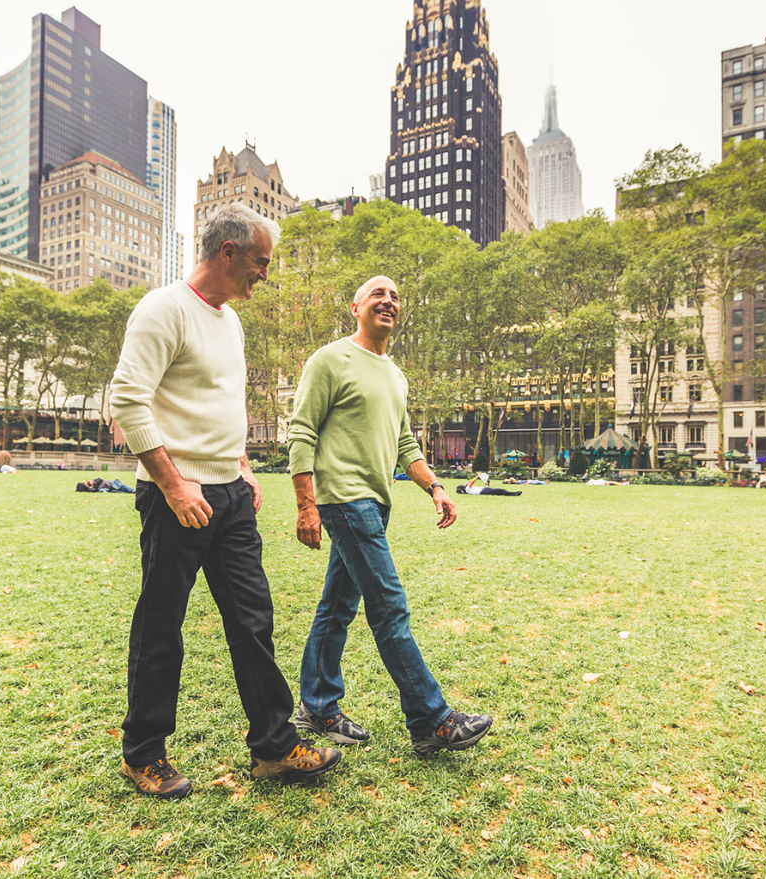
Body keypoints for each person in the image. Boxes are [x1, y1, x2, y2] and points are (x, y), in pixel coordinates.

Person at [109, 203, 340, 798]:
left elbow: (222, 403)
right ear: (229, 251)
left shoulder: (231, 322)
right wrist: (173, 483)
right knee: (162, 625)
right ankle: (144, 754)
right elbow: (129, 402)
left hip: (231, 497)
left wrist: (239, 465)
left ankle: (274, 746)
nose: (265, 275)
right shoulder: (163, 310)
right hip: (176, 497)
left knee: (252, 620)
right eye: (261, 262)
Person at [288, 275, 493, 756]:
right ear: (355, 307)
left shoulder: (396, 374)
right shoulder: (330, 359)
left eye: (396, 296)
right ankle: (431, 720)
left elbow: (405, 444)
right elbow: (301, 431)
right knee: (389, 607)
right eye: (378, 294)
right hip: (345, 499)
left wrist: (436, 488)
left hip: (378, 504)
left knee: (337, 606)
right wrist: (305, 504)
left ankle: (317, 705)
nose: (388, 301)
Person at [456, 472, 521, 496]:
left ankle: (513, 493)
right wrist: (478, 475)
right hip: (483, 491)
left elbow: (487, 487)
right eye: (468, 483)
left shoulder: (471, 489)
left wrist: (487, 484)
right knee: (500, 491)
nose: (469, 483)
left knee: (499, 492)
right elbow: (473, 481)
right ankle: (514, 494)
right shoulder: (467, 489)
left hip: (485, 490)